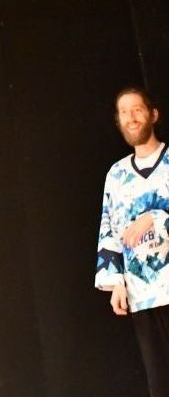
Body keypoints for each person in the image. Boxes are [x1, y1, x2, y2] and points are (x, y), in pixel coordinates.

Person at [95, 86, 169, 395]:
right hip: (143, 294)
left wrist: (156, 217)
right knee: (160, 383)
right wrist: (116, 281)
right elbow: (109, 228)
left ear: (153, 114)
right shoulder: (116, 175)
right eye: (124, 112)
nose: (131, 117)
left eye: (137, 109)